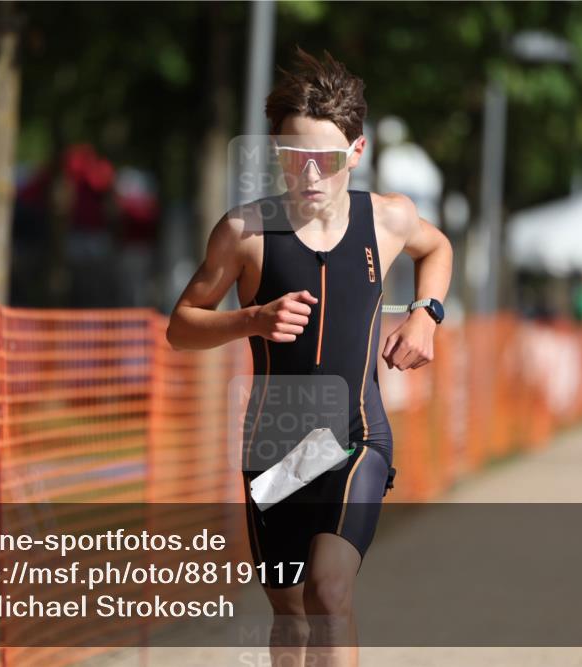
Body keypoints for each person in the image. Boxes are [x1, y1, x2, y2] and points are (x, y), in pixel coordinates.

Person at [166, 48, 453, 667]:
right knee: (291, 612)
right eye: (293, 159)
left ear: (356, 152)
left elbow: (438, 249)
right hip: (276, 446)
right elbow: (181, 327)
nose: (309, 176)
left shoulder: (388, 219)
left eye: (324, 160)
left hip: (355, 435)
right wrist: (251, 320)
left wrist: (426, 315)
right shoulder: (244, 233)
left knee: (329, 590)